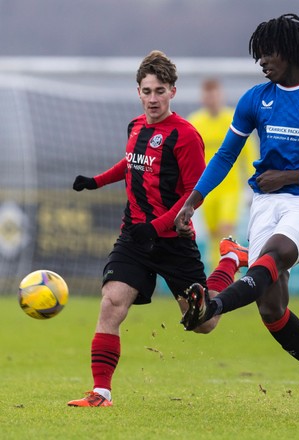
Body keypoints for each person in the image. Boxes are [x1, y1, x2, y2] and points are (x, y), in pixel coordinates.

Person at [174, 14, 299, 414]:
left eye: (268, 53)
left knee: (273, 256)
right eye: (259, 55)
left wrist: (292, 175)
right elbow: (225, 154)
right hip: (266, 203)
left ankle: (215, 304)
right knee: (271, 308)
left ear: (291, 52)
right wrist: (194, 199)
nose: (261, 62)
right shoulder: (256, 99)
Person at [67, 50, 248, 407]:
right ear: (138, 92)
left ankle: (230, 260)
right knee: (111, 304)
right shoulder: (135, 127)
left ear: (173, 93)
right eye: (147, 91)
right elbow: (131, 163)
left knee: (202, 322)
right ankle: (101, 393)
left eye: (159, 91)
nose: (152, 98)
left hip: (173, 242)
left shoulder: (186, 136)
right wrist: (96, 182)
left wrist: (157, 226)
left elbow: (192, 195)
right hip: (135, 237)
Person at [188, 79, 257, 269]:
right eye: (208, 95)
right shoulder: (195, 122)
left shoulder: (234, 119)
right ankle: (216, 278)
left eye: (215, 94)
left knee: (226, 231)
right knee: (212, 236)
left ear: (221, 95)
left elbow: (249, 154)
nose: (212, 99)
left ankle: (230, 279)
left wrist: (253, 184)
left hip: (230, 189)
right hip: (207, 190)